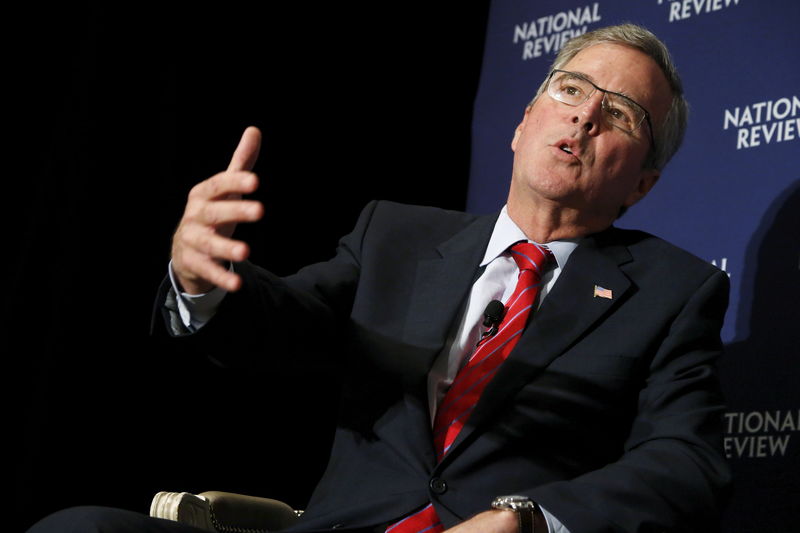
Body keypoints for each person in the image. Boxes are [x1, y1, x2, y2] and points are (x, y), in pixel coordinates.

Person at [29, 23, 731, 533]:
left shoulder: (674, 292)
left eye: (621, 113)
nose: (584, 113)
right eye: (571, 88)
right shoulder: (395, 236)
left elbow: (685, 459)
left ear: (641, 183)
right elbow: (287, 320)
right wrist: (201, 278)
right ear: (522, 123)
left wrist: (529, 519)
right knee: (79, 526)